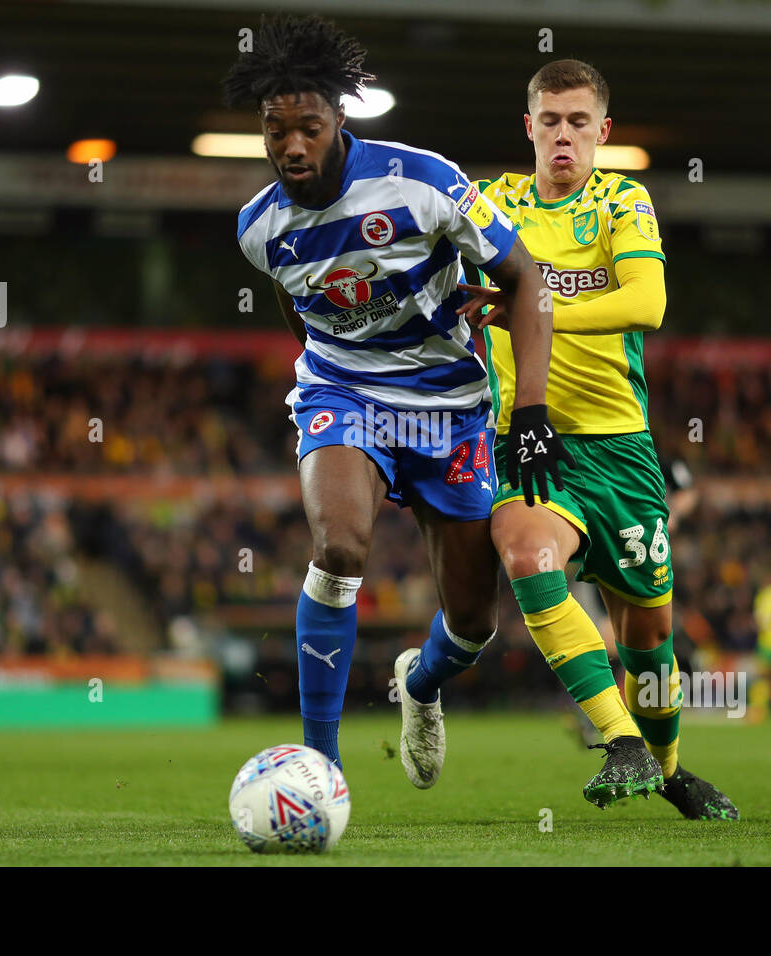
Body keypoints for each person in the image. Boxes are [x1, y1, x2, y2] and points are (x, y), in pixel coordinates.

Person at [226, 15, 569, 773]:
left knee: (474, 622)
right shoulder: (260, 227)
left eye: (307, 128)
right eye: (274, 131)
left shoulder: (426, 183)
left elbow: (527, 279)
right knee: (340, 548)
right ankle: (321, 766)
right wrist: (339, 379)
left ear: (339, 120)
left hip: (451, 407)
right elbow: (301, 308)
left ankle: (419, 682)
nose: (290, 147)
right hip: (345, 393)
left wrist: (534, 411)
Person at [454, 59, 738, 819]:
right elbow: (438, 283)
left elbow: (646, 301)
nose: (563, 136)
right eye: (550, 121)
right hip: (531, 436)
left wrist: (523, 304)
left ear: (602, 132)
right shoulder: (494, 205)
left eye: (579, 122)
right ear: (529, 128)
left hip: (622, 451)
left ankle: (670, 767)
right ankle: (620, 740)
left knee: (648, 637)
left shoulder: (622, 200)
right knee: (524, 552)